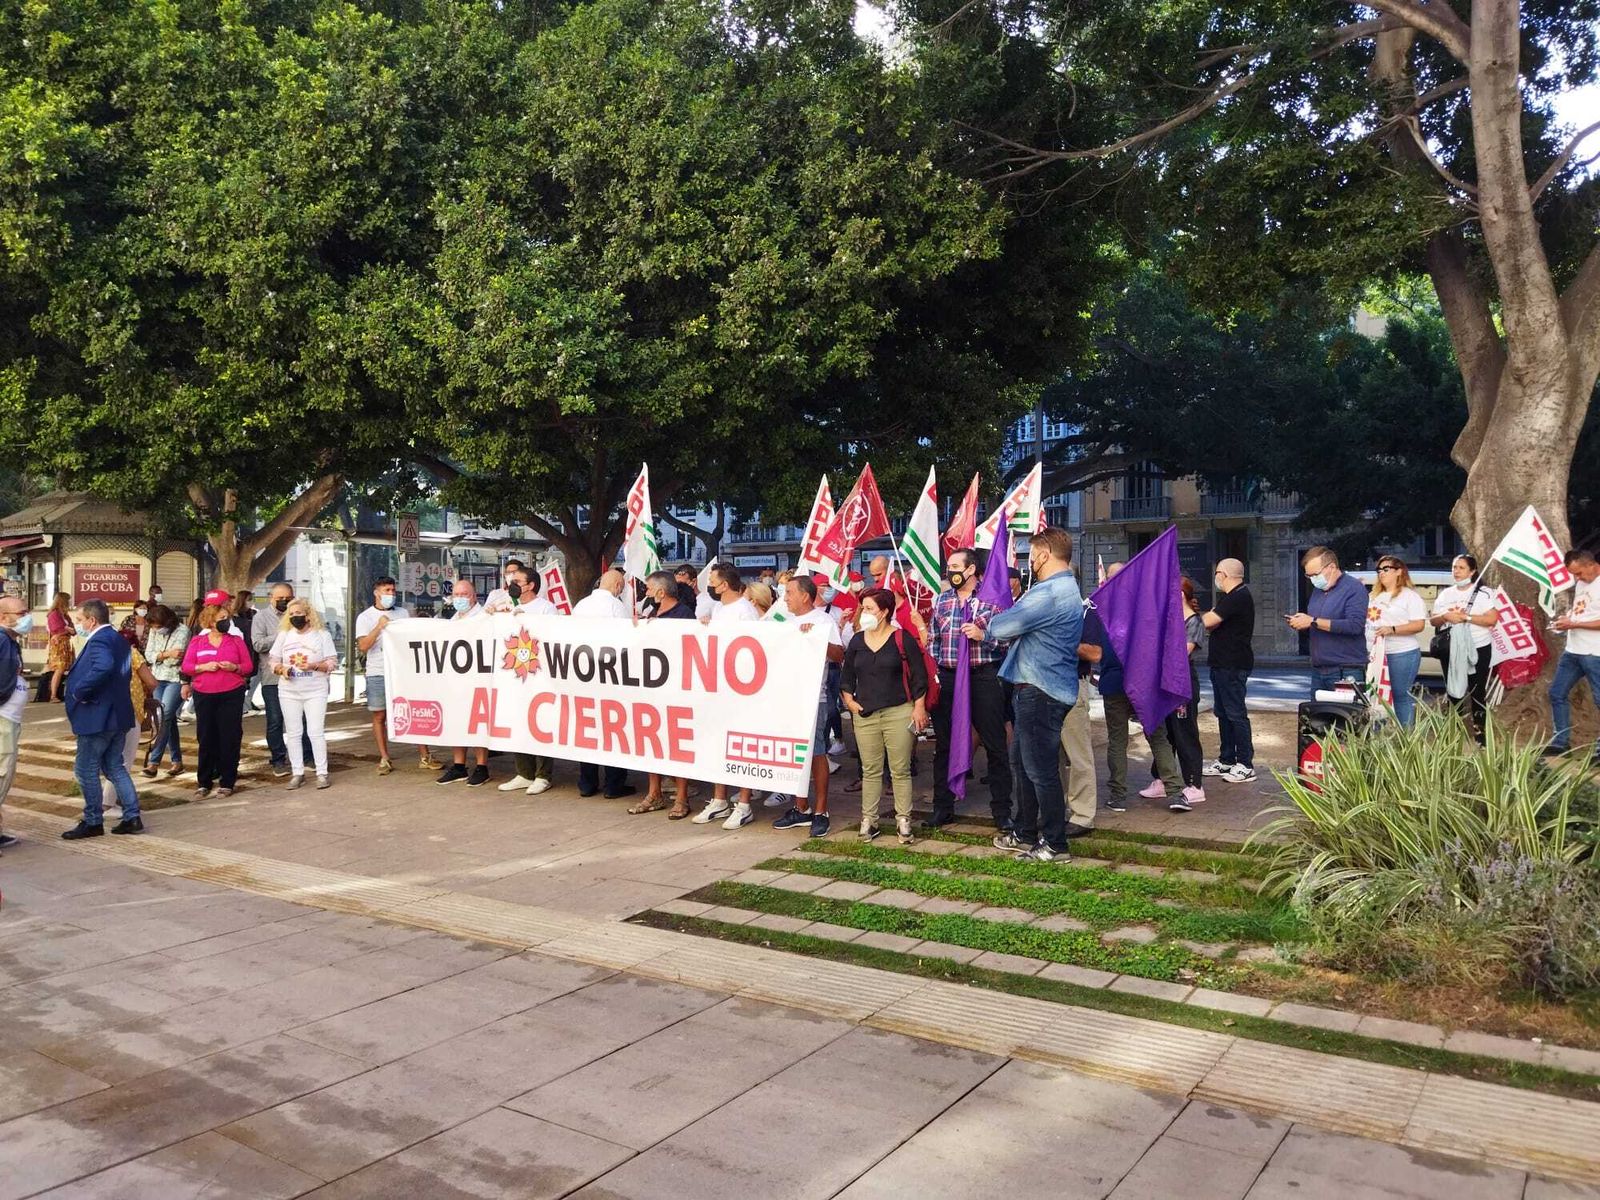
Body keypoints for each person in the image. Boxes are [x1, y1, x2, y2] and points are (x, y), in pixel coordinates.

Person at [967, 527, 1082, 863]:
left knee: (1040, 770)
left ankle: (1055, 844)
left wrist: (989, 622)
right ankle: (1025, 830)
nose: (1027, 560)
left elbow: (1002, 628)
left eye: (1030, 553)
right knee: (1022, 762)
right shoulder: (1063, 589)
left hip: (1040, 691)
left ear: (1043, 554)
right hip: (1040, 688)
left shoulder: (1048, 593)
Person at [928, 548, 1012, 830]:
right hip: (951, 678)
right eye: (948, 566)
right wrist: (939, 668)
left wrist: (982, 636)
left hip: (983, 677)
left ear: (971, 570)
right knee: (944, 745)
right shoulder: (941, 601)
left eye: (954, 566)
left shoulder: (991, 602)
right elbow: (934, 640)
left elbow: (1006, 642)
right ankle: (943, 807)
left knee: (995, 745)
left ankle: (1002, 812)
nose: (949, 571)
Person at [841, 587, 927, 843]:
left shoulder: (902, 638)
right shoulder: (857, 641)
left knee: (900, 770)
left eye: (869, 609)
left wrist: (919, 706)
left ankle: (904, 820)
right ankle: (869, 820)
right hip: (865, 715)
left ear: (884, 611)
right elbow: (847, 677)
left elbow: (919, 676)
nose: (864, 613)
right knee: (870, 771)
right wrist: (849, 701)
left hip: (899, 713)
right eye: (863, 608)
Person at [1097, 563, 1183, 815]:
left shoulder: (1100, 609)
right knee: (1157, 737)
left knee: (1117, 740)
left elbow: (1100, 651)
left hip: (1114, 683)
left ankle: (1118, 796)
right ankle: (1176, 792)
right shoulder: (1145, 608)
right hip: (1144, 683)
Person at [768, 575, 845, 837]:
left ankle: (821, 811)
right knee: (793, 752)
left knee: (816, 752)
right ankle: (801, 808)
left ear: (804, 595)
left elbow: (839, 654)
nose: (785, 597)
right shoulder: (783, 619)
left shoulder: (823, 621)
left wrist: (818, 639)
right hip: (785, 696)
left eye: (789, 592)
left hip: (813, 697)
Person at [62, 599, 143, 837]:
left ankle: (93, 821)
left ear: (92, 620)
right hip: (117, 714)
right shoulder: (118, 638)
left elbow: (103, 667)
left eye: (79, 620)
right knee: (115, 767)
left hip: (97, 715)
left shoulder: (99, 640)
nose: (78, 624)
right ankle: (132, 816)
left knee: (86, 769)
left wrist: (79, 691)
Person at [693, 564, 762, 827]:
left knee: (740, 744)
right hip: (718, 686)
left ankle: (743, 804)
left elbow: (754, 647)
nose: (709, 584)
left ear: (724, 585)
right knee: (717, 743)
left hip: (740, 688)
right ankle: (719, 799)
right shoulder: (720, 609)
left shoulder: (745, 610)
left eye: (712, 580)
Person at [568, 569, 635, 797]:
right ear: (617, 586)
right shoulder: (617, 608)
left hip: (584, 676)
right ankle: (613, 785)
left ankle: (587, 783)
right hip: (611, 678)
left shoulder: (581, 606)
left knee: (588, 732)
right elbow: (627, 643)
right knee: (614, 732)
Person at [180, 592, 253, 800]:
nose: (225, 622)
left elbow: (248, 666)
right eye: (220, 619)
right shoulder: (197, 641)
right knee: (206, 737)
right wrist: (202, 667)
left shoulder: (235, 641)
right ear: (210, 621)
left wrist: (235, 667)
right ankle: (204, 781)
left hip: (231, 693)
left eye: (226, 618)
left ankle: (227, 781)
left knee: (229, 737)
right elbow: (187, 665)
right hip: (204, 694)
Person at [357, 576, 425, 776]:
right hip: (378, 671)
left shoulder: (402, 613)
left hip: (401, 670)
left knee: (413, 710)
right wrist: (379, 627)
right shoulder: (365, 617)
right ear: (376, 592)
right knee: (380, 714)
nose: (391, 594)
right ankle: (385, 757)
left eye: (393, 591)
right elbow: (363, 646)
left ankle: (424, 755)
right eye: (387, 590)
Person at [498, 567, 558, 795]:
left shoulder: (546, 608)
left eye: (517, 581)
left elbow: (552, 636)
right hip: (514, 673)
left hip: (539, 673)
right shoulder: (510, 606)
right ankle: (524, 772)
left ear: (531, 585)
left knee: (540, 721)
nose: (512, 584)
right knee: (518, 720)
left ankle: (543, 775)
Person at [268, 597, 338, 789]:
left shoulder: (321, 635)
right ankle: (297, 772)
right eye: (291, 614)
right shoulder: (284, 635)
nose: (294, 617)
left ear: (308, 615)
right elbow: (273, 660)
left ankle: (322, 773)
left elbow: (332, 662)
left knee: (315, 732)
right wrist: (281, 669)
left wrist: (315, 665)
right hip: (289, 690)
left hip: (315, 690)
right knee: (293, 733)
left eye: (298, 614)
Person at [1429, 553, 1499, 742]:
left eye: (1461, 568)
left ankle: (1481, 735)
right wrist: (1445, 617)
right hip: (1452, 648)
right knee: (1453, 690)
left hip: (1478, 647)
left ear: (1472, 571)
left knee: (1477, 691)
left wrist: (1467, 618)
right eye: (1454, 567)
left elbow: (1492, 619)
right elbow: (1433, 619)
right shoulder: (1446, 594)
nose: (1456, 571)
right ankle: (1455, 732)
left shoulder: (1483, 593)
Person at [1289, 545, 1369, 701]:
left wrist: (1312, 621)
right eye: (1308, 576)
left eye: (1315, 574)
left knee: (1345, 722)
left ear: (1332, 567)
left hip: (1345, 670)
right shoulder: (1319, 591)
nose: (1312, 579)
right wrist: (1302, 623)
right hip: (1319, 670)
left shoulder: (1353, 588)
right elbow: (1317, 624)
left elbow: (1355, 626)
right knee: (1317, 721)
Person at [1202, 558, 1256, 784]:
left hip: (1233, 665)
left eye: (1217, 574)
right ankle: (1227, 759)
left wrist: (1192, 616)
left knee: (1235, 714)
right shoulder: (1231, 598)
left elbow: (1208, 621)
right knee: (1223, 713)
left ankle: (1245, 763)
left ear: (1223, 574)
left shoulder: (1238, 596)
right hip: (1222, 664)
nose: (1216, 579)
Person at [436, 579, 492, 786]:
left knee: (477, 723)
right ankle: (459, 766)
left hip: (478, 680)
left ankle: (481, 766)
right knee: (457, 722)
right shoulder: (453, 620)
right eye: (456, 595)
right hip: (456, 681)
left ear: (474, 596)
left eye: (464, 595)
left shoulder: (485, 617)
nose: (459, 599)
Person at [1546, 549, 1600, 759]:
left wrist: (1574, 623)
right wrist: (1564, 622)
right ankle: (1561, 742)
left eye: (1579, 573)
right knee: (1556, 693)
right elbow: (1580, 610)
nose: (1577, 578)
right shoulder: (1581, 584)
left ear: (1590, 564)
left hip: (1595, 652)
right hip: (1573, 650)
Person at [254, 582, 311, 776]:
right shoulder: (261, 617)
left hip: (300, 677)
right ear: (271, 598)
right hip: (273, 679)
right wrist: (280, 636)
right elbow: (258, 644)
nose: (285, 602)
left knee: (302, 719)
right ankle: (278, 759)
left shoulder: (300, 615)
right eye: (280, 599)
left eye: (288, 598)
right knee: (276, 720)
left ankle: (307, 756)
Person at [1366, 555, 1428, 727]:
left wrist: (1392, 629)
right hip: (1377, 654)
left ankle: (1406, 739)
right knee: (1375, 695)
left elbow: (1418, 624)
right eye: (1379, 570)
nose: (1381, 573)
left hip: (1402, 653)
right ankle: (1378, 738)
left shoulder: (1409, 596)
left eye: (1386, 569)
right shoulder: (1374, 596)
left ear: (1399, 572)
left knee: (1400, 695)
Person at [1166, 578, 1208, 813]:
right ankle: (1163, 778)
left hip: (1183, 681)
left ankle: (1194, 783)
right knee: (1168, 732)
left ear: (1180, 595)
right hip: (1167, 681)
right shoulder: (1171, 620)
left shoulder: (1193, 621)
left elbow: (1183, 651)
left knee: (1185, 732)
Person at [141, 605, 189, 778]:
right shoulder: (154, 631)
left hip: (176, 679)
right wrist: (166, 654)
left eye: (158, 626)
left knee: (165, 715)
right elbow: (148, 654)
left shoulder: (183, 630)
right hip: (157, 678)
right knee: (166, 720)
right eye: (153, 626)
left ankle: (154, 762)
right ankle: (177, 761)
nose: (155, 629)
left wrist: (160, 656)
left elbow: (177, 660)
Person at [0, 595, 32, 851]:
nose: (26, 617)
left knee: (5, 775)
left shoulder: (11, 641)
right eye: (21, 613)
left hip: (10, 719)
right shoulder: (1, 640)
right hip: (3, 720)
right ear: (3, 617)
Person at [45, 591, 74, 702]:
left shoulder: (65, 615)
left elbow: (72, 629)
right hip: (58, 644)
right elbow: (55, 630)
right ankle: (53, 694)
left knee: (66, 668)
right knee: (59, 668)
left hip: (65, 642)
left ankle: (62, 692)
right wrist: (66, 630)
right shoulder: (54, 614)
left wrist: (68, 630)